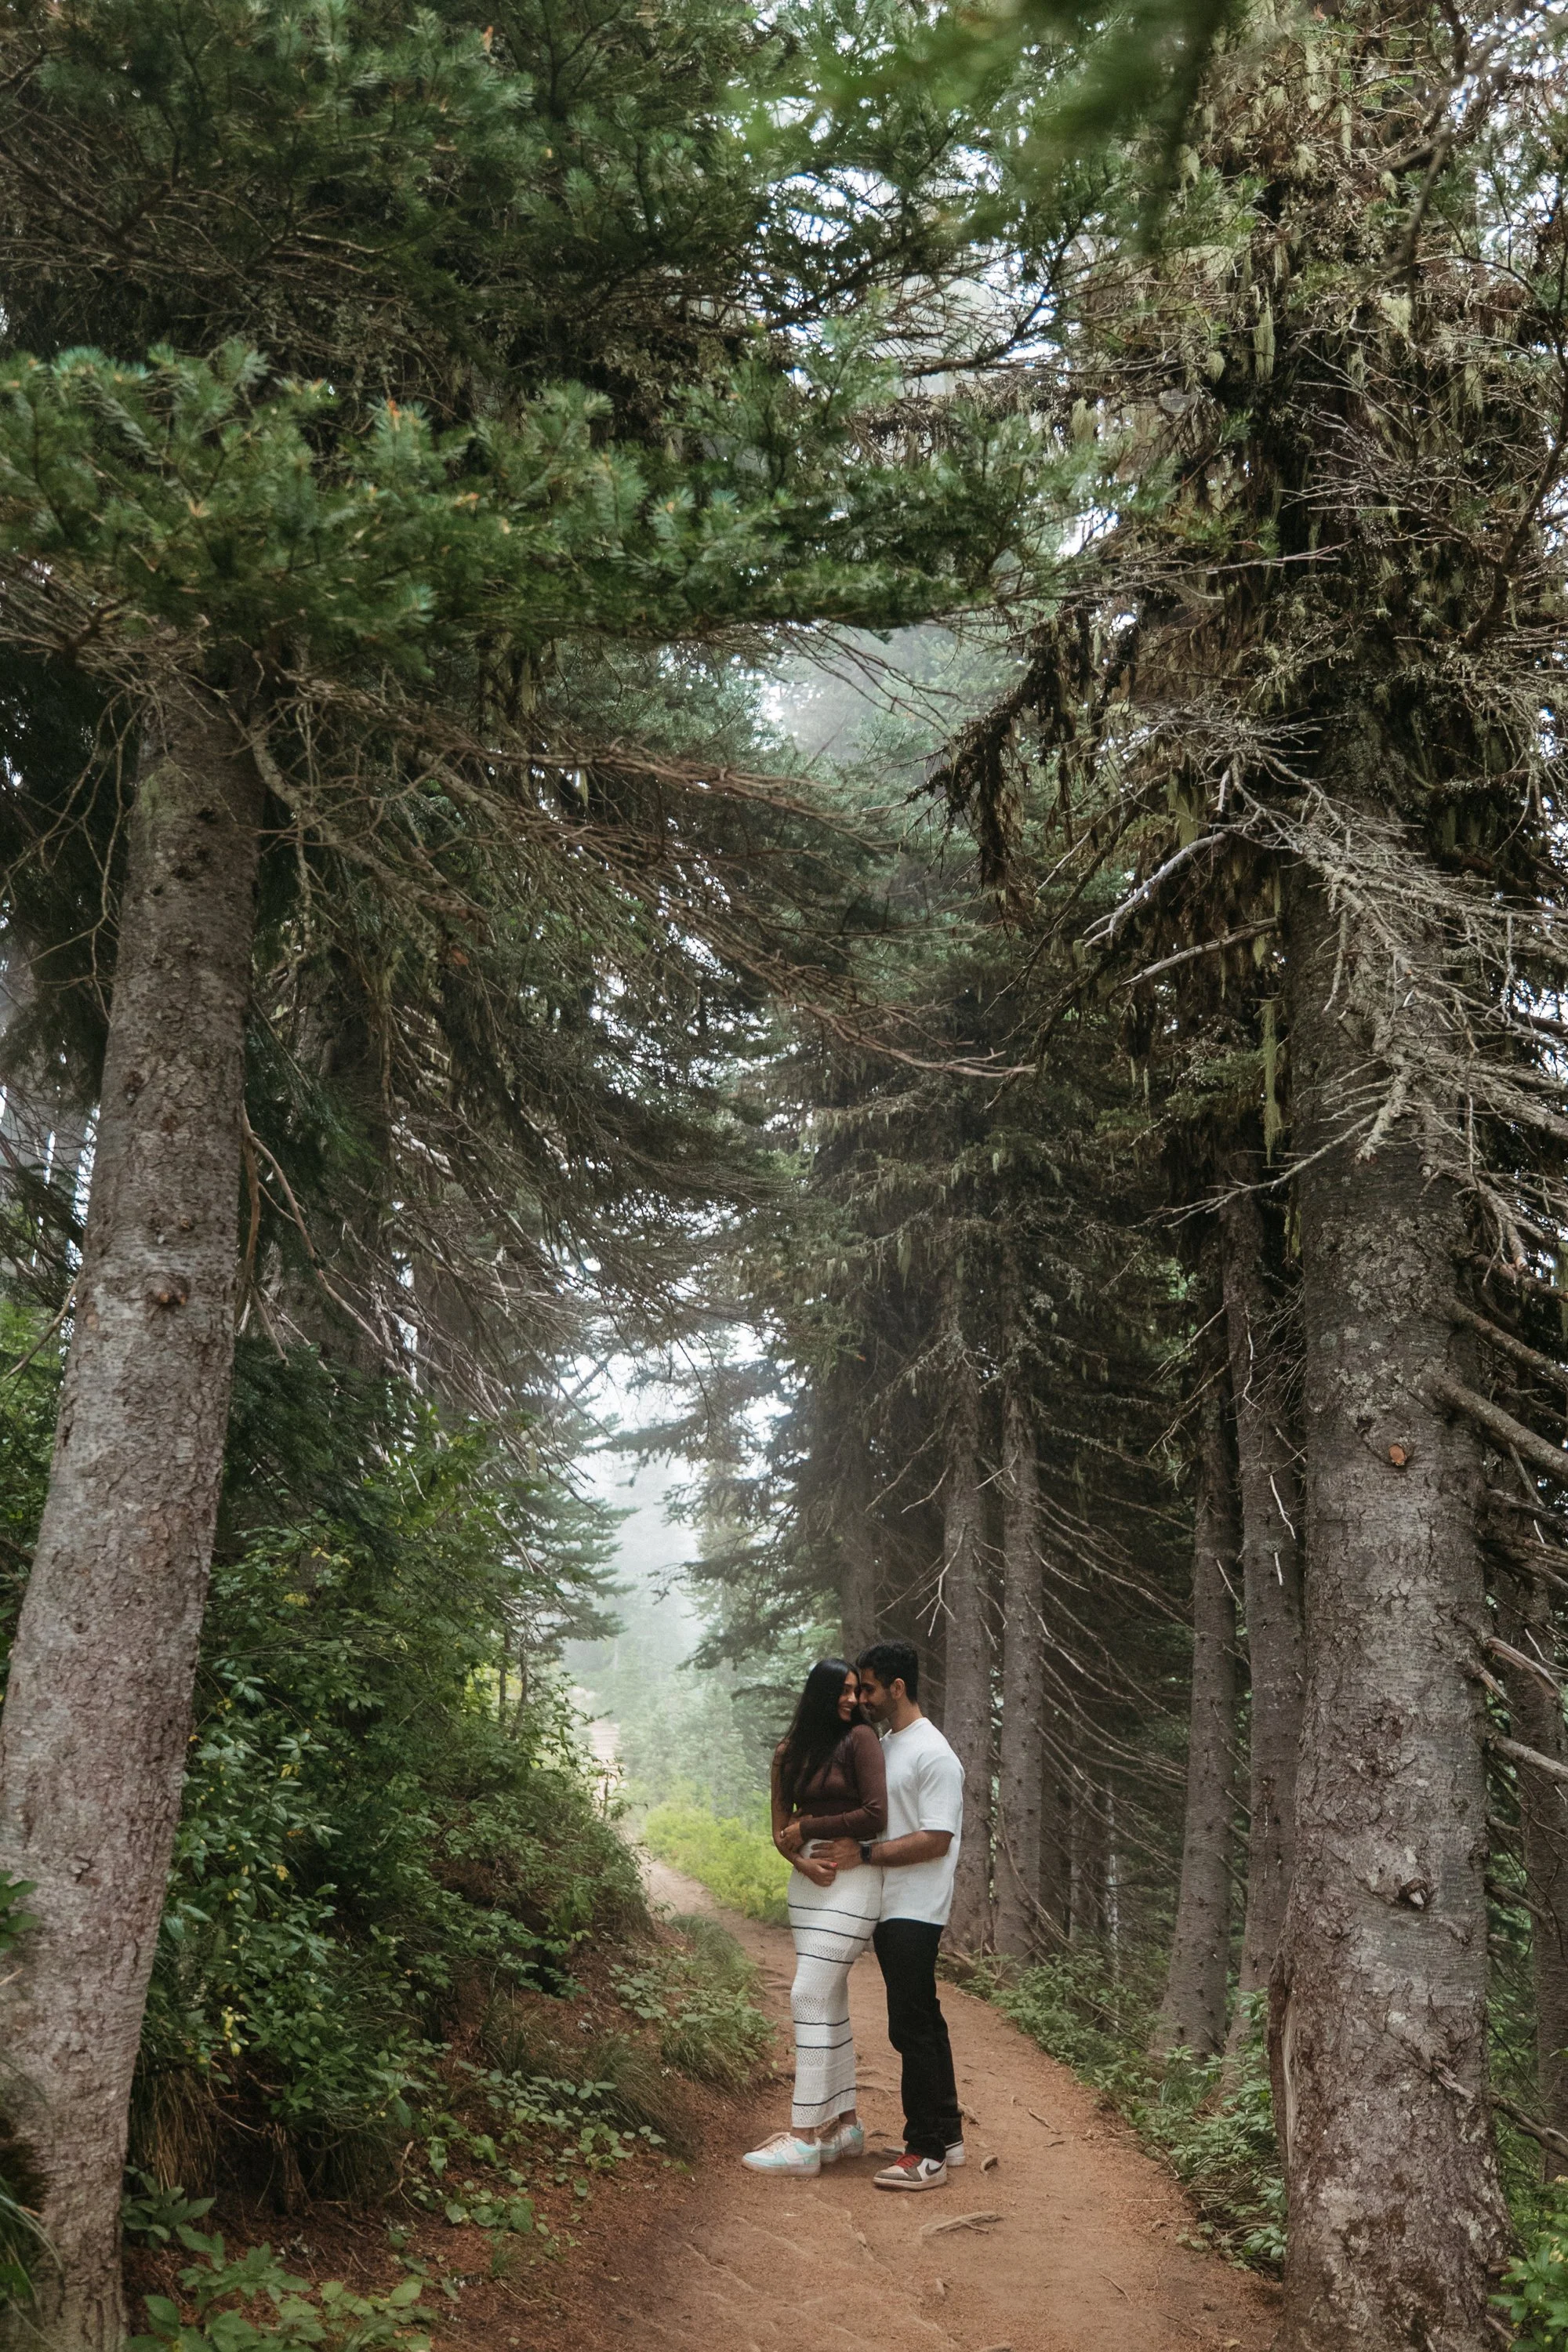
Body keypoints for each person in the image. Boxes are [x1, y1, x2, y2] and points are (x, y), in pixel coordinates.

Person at [814, 1639, 964, 2190]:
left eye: (871, 1688)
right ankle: (947, 2134)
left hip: (916, 1907)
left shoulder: (934, 1754)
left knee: (910, 2028)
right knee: (925, 2019)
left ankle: (923, 2154)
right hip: (891, 1903)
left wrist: (866, 1854)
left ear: (898, 1688)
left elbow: (936, 1838)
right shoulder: (891, 1744)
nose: (863, 1699)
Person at [741, 1658, 887, 2176]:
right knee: (828, 1998)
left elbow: (876, 1814)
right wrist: (798, 1855)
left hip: (855, 1883)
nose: (853, 1700)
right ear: (821, 1694)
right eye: (844, 1692)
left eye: (856, 1691)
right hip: (807, 1887)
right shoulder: (789, 1753)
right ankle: (846, 2127)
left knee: (805, 1994)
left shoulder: (862, 1740)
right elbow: (781, 1830)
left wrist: (810, 1826)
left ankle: (802, 2140)